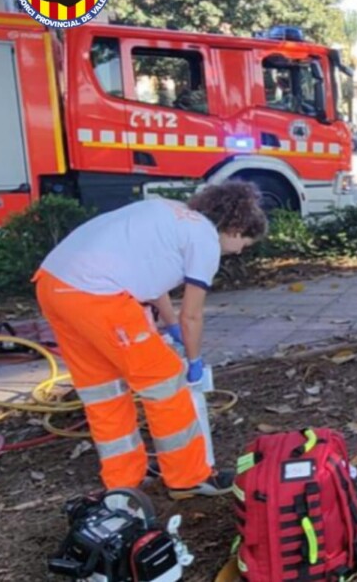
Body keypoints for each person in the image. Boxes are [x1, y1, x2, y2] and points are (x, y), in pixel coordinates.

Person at [34, 183, 267, 498]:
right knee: (166, 381)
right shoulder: (205, 239)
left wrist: (169, 325)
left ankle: (124, 479)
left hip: (53, 284)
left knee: (104, 389)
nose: (239, 251)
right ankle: (188, 478)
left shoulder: (170, 212)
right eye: (245, 243)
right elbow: (193, 316)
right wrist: (194, 360)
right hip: (97, 295)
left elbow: (149, 276)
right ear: (236, 228)